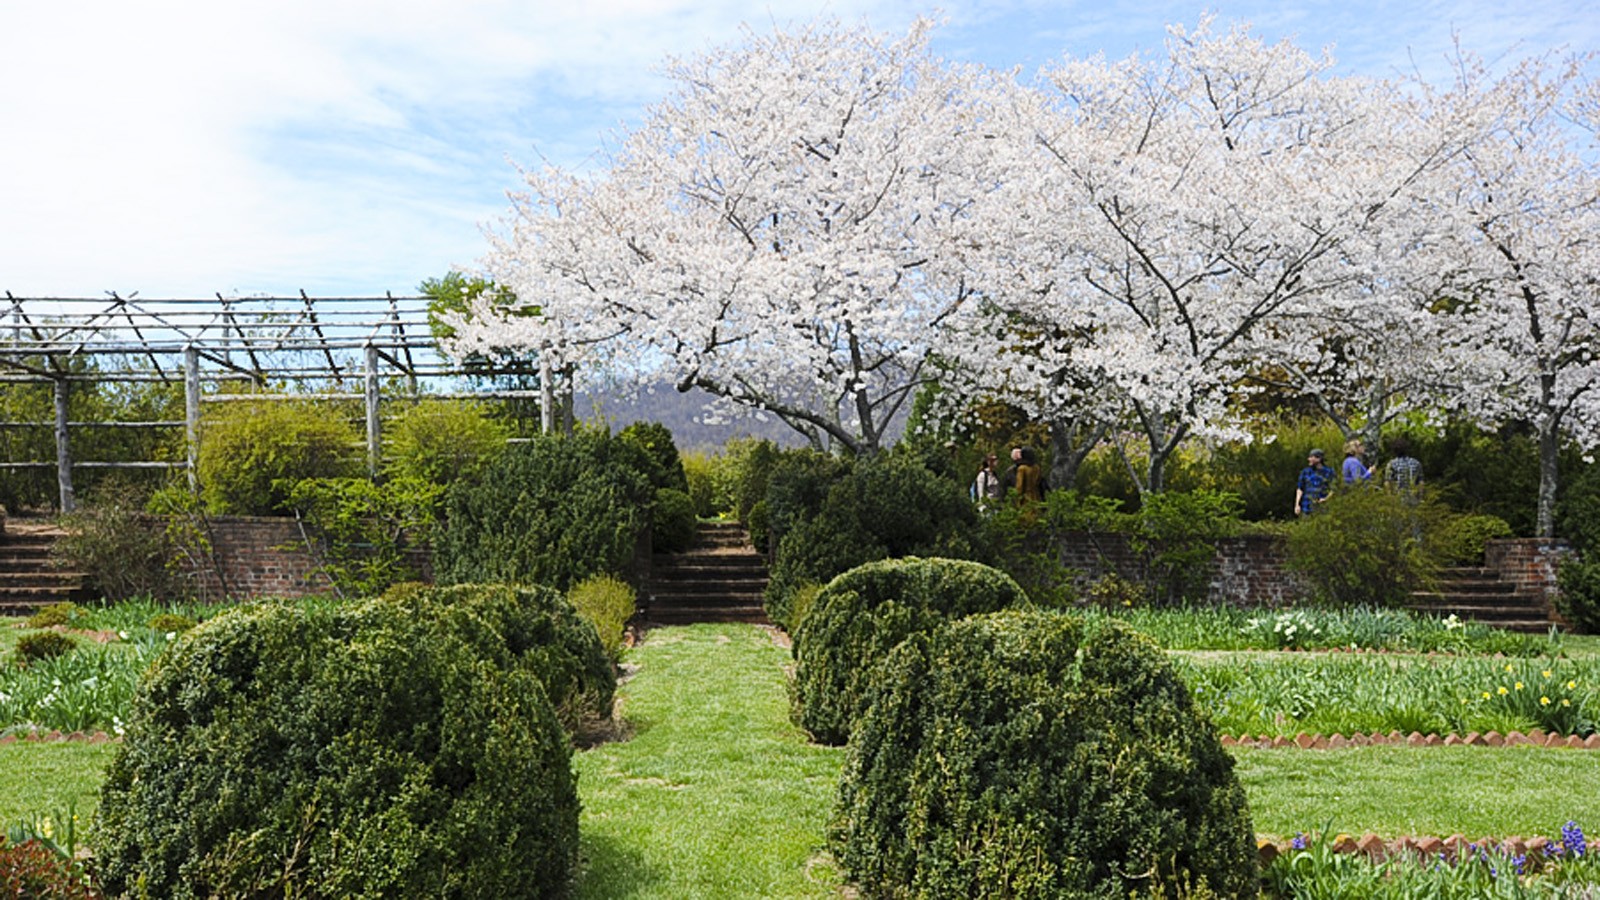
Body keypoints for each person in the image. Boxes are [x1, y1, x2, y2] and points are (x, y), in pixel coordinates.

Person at [1295, 448, 1335, 516]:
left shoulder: (1329, 472)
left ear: (1318, 459)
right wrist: (1297, 504)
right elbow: (1300, 489)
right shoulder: (1306, 472)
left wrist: (1326, 499)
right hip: (1306, 507)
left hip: (1322, 508)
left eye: (1311, 457)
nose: (1309, 459)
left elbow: (1334, 489)